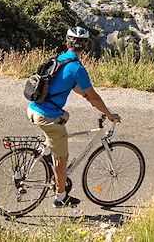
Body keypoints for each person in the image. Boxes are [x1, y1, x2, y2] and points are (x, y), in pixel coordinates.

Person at [27, 26, 120, 208]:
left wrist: (86, 97)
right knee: (62, 158)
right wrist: (109, 115)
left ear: (67, 42)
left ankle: (48, 154)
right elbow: (93, 96)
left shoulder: (59, 59)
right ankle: (60, 198)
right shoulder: (77, 68)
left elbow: (72, 87)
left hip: (33, 108)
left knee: (65, 116)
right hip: (46, 116)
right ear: (85, 46)